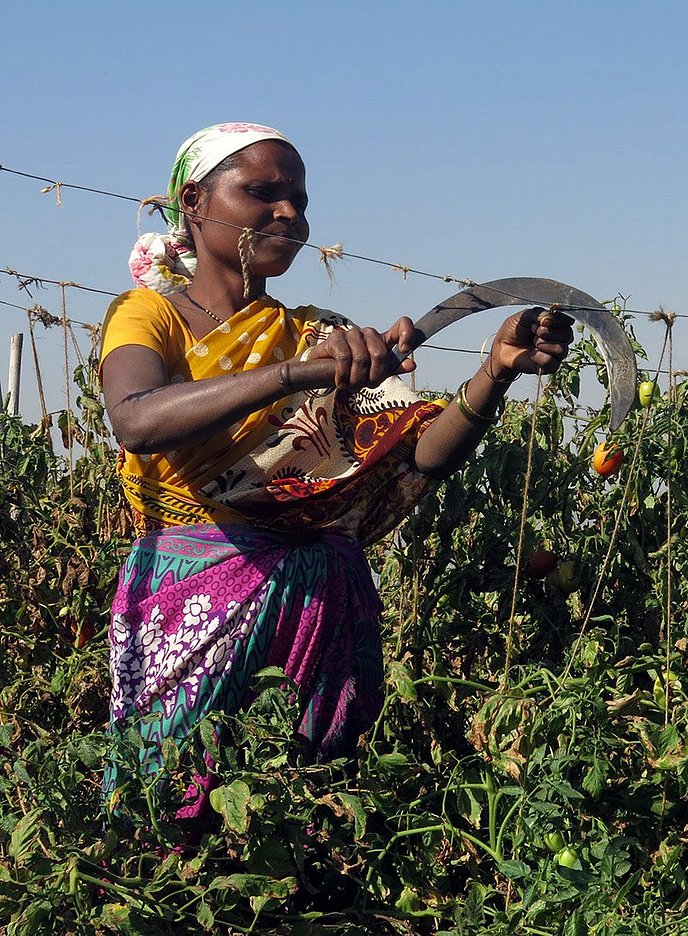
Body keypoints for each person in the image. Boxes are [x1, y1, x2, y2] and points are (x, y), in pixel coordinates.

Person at [99, 122, 573, 818]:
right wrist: (294, 375)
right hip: (194, 596)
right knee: (166, 806)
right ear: (195, 203)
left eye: (299, 199)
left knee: (312, 820)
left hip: (324, 603)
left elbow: (418, 462)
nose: (290, 214)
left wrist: (494, 373)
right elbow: (135, 418)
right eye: (263, 192)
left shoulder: (318, 331)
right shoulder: (151, 316)